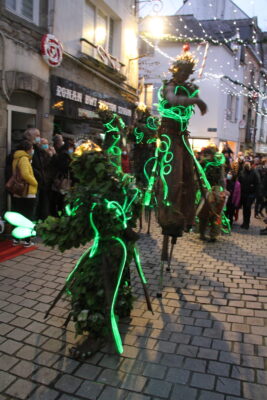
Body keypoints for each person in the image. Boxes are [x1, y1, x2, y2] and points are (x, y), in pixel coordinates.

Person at [157, 49, 207, 238]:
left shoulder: (188, 87)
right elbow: (171, 99)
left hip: (182, 135)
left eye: (187, 73)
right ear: (175, 70)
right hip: (169, 134)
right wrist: (195, 100)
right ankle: (169, 213)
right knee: (173, 174)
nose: (184, 76)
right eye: (182, 72)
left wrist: (194, 97)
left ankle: (187, 216)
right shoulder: (170, 86)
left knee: (189, 175)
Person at [11, 140, 38, 246]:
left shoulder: (16, 158)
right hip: (27, 192)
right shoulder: (24, 159)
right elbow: (25, 174)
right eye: (31, 148)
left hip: (18, 191)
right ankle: (27, 240)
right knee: (28, 216)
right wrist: (35, 183)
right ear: (27, 149)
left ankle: (16, 239)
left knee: (18, 215)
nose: (33, 150)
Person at [198, 146, 226, 242]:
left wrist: (223, 190)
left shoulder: (218, 164)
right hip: (204, 191)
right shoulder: (202, 164)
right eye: (204, 155)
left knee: (215, 213)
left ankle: (213, 235)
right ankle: (202, 233)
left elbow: (222, 179)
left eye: (207, 155)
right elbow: (197, 177)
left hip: (214, 191)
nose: (205, 157)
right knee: (203, 214)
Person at [23, 128, 51, 220]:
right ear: (29, 137)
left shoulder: (37, 148)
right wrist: (37, 176)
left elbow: (43, 163)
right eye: (37, 136)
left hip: (40, 182)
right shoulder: (27, 148)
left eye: (39, 135)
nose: (39, 138)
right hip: (32, 182)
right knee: (32, 207)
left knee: (39, 205)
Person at [50, 142, 74, 216]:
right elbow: (65, 167)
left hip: (59, 180)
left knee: (58, 199)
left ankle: (57, 213)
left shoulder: (60, 155)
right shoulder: (65, 156)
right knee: (62, 199)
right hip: (63, 180)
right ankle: (60, 213)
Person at [239, 160, 260, 229]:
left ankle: (247, 223)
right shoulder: (242, 172)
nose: (247, 165)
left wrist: (254, 192)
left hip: (251, 194)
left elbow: (257, 183)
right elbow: (240, 181)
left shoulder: (254, 172)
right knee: (244, 208)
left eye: (248, 163)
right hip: (243, 193)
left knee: (248, 208)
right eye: (246, 163)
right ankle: (244, 222)